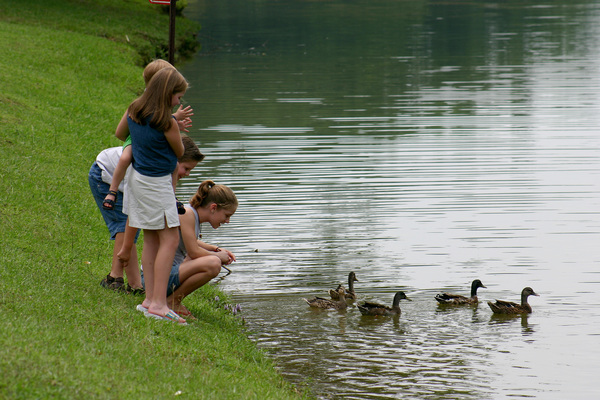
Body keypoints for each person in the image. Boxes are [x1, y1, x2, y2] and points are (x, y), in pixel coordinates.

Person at [117, 67, 189, 324]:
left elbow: (120, 133)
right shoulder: (167, 121)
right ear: (167, 93)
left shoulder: (135, 108)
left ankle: (149, 300)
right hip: (157, 184)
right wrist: (177, 126)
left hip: (137, 179)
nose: (179, 102)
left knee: (150, 238)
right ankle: (159, 303)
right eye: (178, 96)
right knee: (169, 239)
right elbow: (179, 151)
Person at [89, 135, 204, 293]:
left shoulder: (163, 169)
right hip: (104, 176)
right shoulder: (147, 165)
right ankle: (115, 277)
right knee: (124, 227)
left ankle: (135, 285)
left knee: (131, 230)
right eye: (187, 168)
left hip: (126, 183)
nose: (188, 174)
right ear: (174, 160)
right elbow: (133, 206)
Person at [102, 59, 193, 212]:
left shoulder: (159, 107)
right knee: (125, 158)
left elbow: (160, 128)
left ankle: (172, 196)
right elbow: (121, 133)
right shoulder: (140, 105)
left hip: (148, 146)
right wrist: (140, 140)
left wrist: (175, 122)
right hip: (138, 141)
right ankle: (112, 190)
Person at [148, 180, 238, 318]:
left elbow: (191, 240)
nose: (227, 221)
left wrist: (216, 249)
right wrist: (218, 257)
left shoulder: (191, 214)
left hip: (164, 276)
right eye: (227, 215)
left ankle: (173, 300)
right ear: (213, 207)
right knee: (213, 264)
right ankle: (173, 302)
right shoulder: (187, 214)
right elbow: (194, 251)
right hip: (156, 280)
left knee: (211, 259)